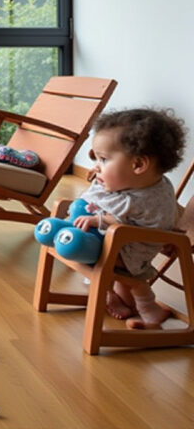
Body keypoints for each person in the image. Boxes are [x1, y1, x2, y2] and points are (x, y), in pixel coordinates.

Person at [75, 108, 185, 329]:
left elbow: (128, 223)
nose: (96, 166)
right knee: (91, 247)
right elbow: (113, 204)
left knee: (95, 254)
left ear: (138, 165)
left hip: (134, 249)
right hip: (123, 239)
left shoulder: (148, 199)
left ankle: (149, 310)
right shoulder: (139, 184)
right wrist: (101, 178)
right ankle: (120, 299)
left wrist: (99, 220)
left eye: (103, 159)